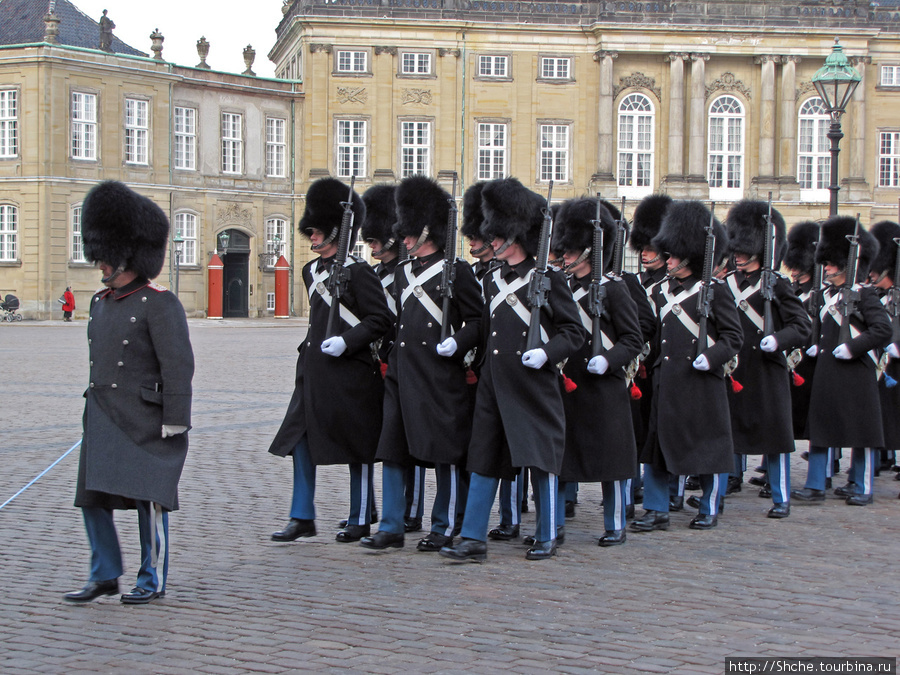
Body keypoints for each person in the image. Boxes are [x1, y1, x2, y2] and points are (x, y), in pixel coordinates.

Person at [439, 177, 583, 562]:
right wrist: (459, 341)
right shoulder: (491, 280)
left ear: (514, 235)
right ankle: (472, 538)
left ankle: (547, 532)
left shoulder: (548, 278)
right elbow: (483, 327)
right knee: (483, 457)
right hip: (493, 380)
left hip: (533, 381)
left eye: (498, 235)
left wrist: (546, 353)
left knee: (540, 458)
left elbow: (574, 332)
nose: (492, 241)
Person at [64, 180, 194, 605]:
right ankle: (104, 572)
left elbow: (178, 364)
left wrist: (176, 418)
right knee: (92, 498)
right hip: (105, 414)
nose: (99, 265)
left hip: (145, 418)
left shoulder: (159, 303)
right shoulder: (101, 302)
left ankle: (151, 576)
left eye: (105, 257)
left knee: (149, 500)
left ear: (128, 254)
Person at [360, 175, 483, 552]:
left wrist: (455, 343)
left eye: (410, 231)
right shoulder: (403, 271)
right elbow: (396, 320)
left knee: (443, 452)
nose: (405, 238)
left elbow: (478, 321)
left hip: (438, 372)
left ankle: (443, 525)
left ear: (427, 228)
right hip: (402, 370)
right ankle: (391, 525)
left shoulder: (456, 270)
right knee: (392, 449)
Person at [268, 178, 391, 543]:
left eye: (319, 231)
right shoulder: (311, 272)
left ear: (337, 230)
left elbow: (380, 320)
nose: (313, 237)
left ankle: (359, 517)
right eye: (312, 231)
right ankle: (302, 514)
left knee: (357, 447)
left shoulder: (359, 272)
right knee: (299, 440)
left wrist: (346, 342)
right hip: (314, 369)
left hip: (349, 372)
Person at [633, 200, 743, 533]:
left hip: (701, 381)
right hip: (667, 380)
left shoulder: (714, 291)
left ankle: (709, 506)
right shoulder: (661, 292)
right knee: (657, 447)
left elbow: (732, 338)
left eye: (672, 255)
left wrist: (709, 357)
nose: (667, 260)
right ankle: (656, 508)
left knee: (706, 447)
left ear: (689, 256)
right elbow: (650, 330)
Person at [553, 197, 643, 546]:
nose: (566, 257)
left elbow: (632, 338)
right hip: (570, 382)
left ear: (589, 251)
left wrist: (609, 359)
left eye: (573, 252)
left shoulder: (615, 288)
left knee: (612, 459)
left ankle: (615, 523)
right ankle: (555, 521)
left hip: (604, 384)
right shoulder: (564, 287)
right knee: (563, 459)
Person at [792, 216, 891, 506]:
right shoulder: (824, 295)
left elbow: (882, 329)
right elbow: (816, 327)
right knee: (821, 428)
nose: (827, 268)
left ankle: (861, 485)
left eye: (833, 264)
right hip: (827, 370)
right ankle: (814, 484)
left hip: (856, 371)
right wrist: (812, 346)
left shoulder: (865, 295)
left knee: (862, 432)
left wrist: (853, 347)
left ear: (846, 265)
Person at [722, 200, 811, 519]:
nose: (739, 257)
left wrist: (778, 339)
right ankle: (717, 495)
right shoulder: (726, 285)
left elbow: (802, 325)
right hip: (734, 368)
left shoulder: (777, 284)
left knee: (775, 438)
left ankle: (780, 495)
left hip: (767, 369)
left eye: (746, 252)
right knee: (727, 433)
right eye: (738, 251)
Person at [360, 183, 424, 533]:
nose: (371, 246)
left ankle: (410, 510)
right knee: (379, 438)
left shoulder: (411, 272)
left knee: (404, 439)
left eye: (375, 239)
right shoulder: (376, 274)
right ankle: (376, 508)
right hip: (376, 361)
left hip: (401, 358)